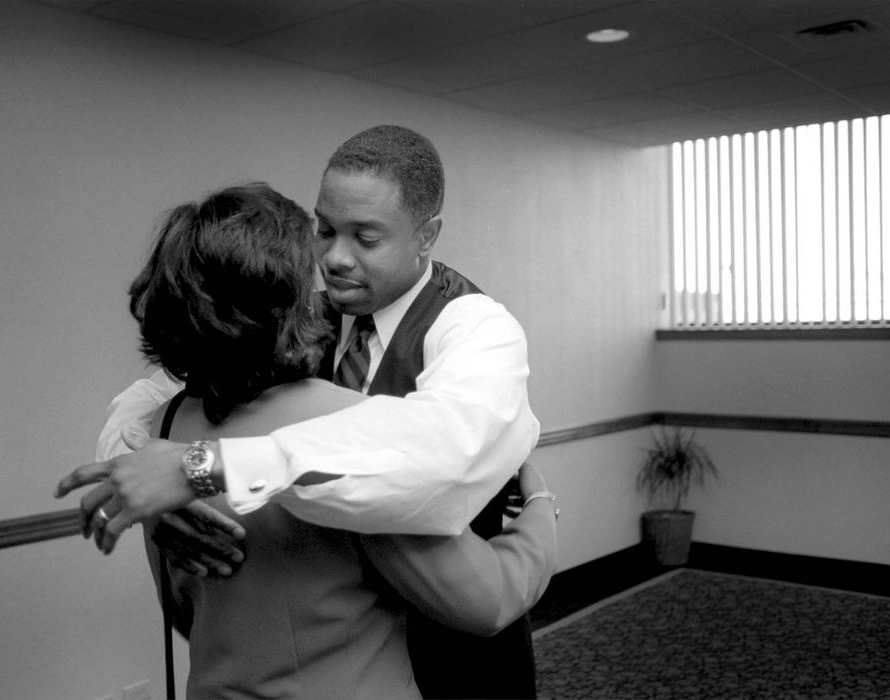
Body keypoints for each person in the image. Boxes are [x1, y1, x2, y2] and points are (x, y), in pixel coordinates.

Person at [57, 125, 544, 698]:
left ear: (426, 235)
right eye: (325, 229)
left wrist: (205, 468)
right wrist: (155, 497)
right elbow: (141, 408)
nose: (334, 259)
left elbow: (439, 453)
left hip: (460, 656)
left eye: (365, 237)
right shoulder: (294, 320)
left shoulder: (475, 327)